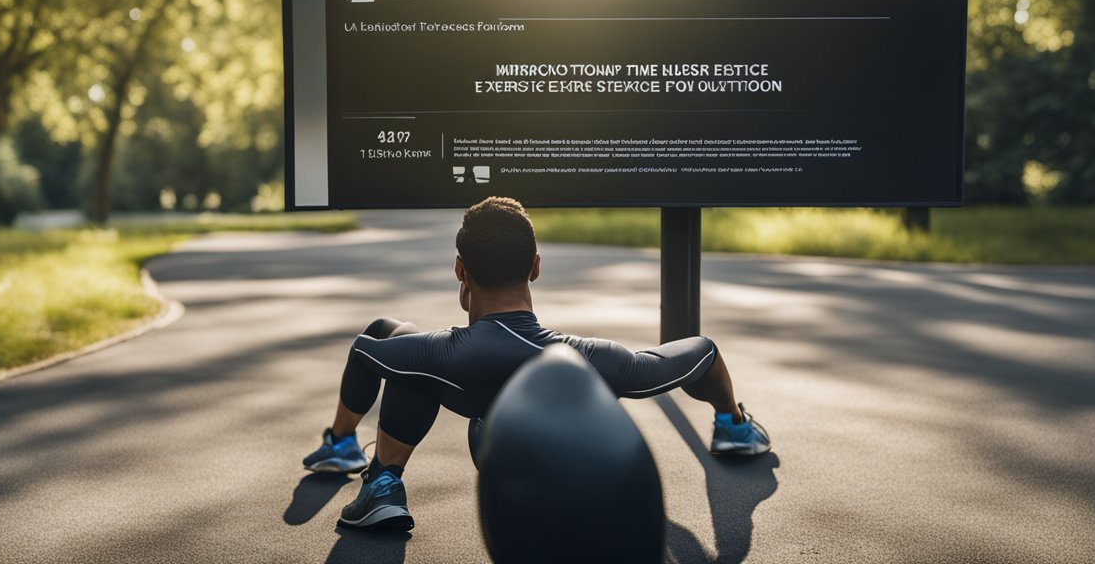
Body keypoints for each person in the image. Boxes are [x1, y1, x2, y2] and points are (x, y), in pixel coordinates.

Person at [303, 196, 770, 532]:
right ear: (536, 267)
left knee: (401, 347)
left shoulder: (437, 352)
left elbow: (363, 349)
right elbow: (701, 353)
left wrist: (349, 424)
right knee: (406, 346)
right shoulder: (593, 357)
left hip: (502, 463)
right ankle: (736, 429)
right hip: (583, 494)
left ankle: (371, 471)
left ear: (460, 270)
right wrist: (728, 414)